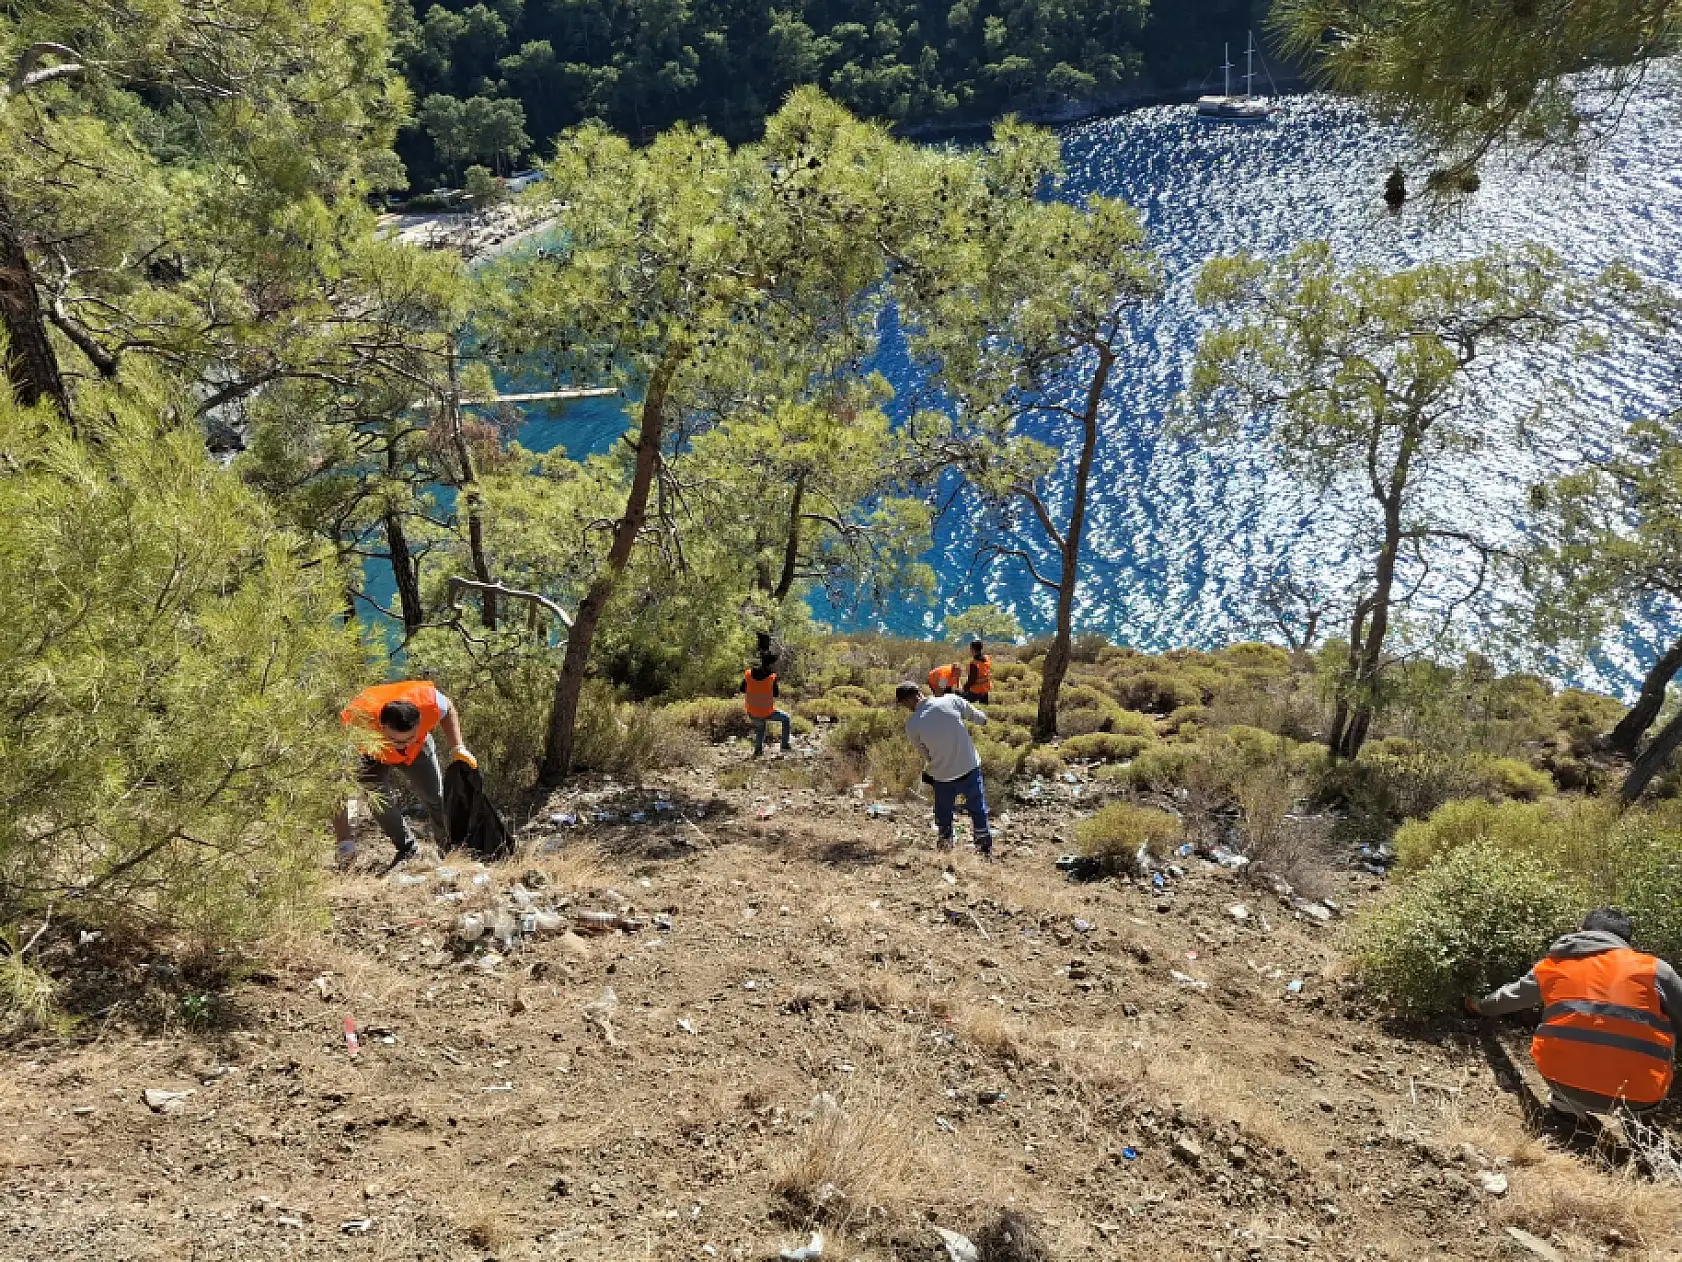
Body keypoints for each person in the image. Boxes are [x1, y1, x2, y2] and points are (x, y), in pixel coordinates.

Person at [1470, 908, 1680, 1118]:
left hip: (1562, 1083)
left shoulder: (1552, 965)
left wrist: (1479, 1006)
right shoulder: (1656, 970)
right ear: (1625, 941)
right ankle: (1636, 1121)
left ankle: (1565, 1106)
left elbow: (1509, 998)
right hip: (1639, 1097)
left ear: (1581, 931)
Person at [334, 680, 476, 867]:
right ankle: (408, 850)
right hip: (372, 752)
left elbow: (448, 708)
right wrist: (344, 840)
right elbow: (336, 786)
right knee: (379, 803)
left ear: (420, 723)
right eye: (395, 740)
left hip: (418, 751)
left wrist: (458, 746)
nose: (402, 745)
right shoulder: (357, 720)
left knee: (438, 798)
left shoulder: (430, 703)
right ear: (381, 725)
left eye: (409, 738)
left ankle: (451, 848)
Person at [896, 681, 993, 856]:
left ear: (908, 701)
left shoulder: (913, 725)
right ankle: (984, 848)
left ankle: (946, 847)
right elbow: (978, 717)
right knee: (977, 808)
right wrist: (984, 720)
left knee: (944, 813)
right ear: (920, 692)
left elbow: (926, 755)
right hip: (970, 767)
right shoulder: (951, 700)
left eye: (904, 704)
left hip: (943, 776)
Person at [739, 656, 792, 757]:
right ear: (770, 665)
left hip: (752, 711)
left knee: (760, 728)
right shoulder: (771, 677)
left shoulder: (748, 674)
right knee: (786, 718)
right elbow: (776, 694)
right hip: (767, 712)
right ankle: (784, 745)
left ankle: (758, 750)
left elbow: (742, 689)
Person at [961, 639, 992, 705]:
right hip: (985, 690)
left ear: (973, 650)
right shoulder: (987, 658)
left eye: (971, 649)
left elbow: (971, 680)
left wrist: (964, 688)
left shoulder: (974, 664)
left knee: (960, 700)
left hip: (975, 691)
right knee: (984, 708)